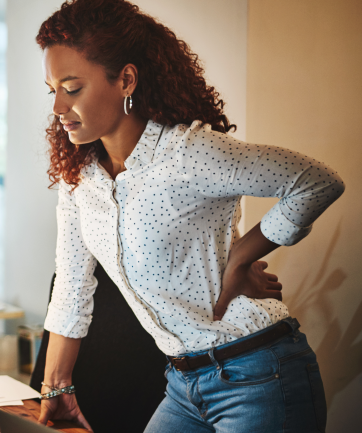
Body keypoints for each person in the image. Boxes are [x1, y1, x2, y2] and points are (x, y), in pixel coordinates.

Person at [35, 1, 345, 432]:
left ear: (126, 79)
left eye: (72, 88)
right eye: (52, 90)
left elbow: (316, 181)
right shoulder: (80, 179)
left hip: (258, 374)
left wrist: (240, 258)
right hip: (183, 383)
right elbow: (71, 286)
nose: (57, 107)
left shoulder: (188, 153)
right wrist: (56, 386)